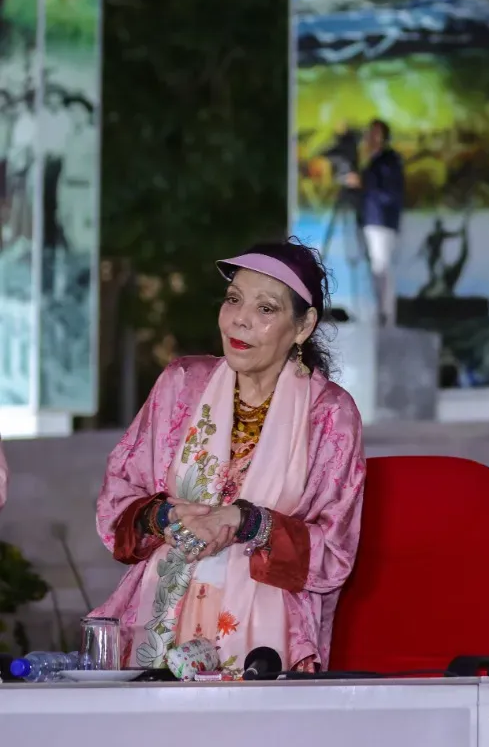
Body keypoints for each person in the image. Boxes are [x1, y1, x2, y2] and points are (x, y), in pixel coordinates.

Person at [90, 240, 366, 675]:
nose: (240, 318)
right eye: (234, 299)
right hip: (163, 616)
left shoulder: (330, 414)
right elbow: (116, 501)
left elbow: (334, 555)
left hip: (265, 638)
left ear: (303, 325)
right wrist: (165, 517)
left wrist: (245, 522)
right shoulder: (180, 384)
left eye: (266, 309)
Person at [344, 119, 405, 325]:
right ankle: (376, 314)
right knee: (373, 269)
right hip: (369, 219)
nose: (370, 137)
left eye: (375, 134)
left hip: (382, 221)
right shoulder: (372, 161)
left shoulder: (390, 160)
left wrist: (363, 183)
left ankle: (386, 316)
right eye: (370, 133)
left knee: (382, 267)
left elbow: (390, 193)